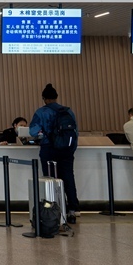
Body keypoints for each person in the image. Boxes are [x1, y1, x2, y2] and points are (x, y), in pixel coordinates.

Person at [29, 83, 79, 223]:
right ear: (56, 97)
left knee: (50, 179)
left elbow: (33, 131)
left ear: (44, 98)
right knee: (68, 177)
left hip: (49, 149)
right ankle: (73, 210)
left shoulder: (41, 112)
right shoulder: (68, 111)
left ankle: (55, 209)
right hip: (67, 151)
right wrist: (71, 149)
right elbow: (75, 133)